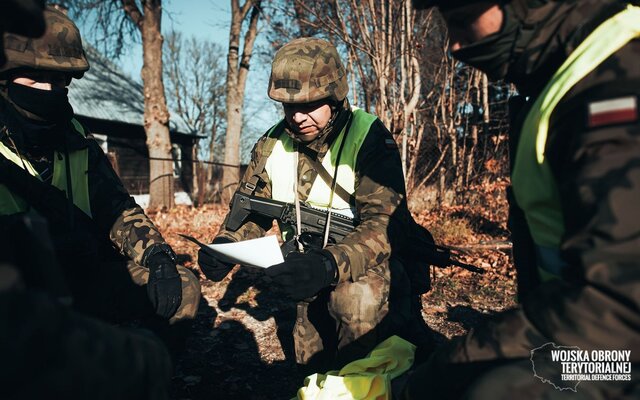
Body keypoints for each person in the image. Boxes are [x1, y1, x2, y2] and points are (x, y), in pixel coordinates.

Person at [402, 0, 640, 398]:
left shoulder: (613, 80)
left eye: (461, 20)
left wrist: (442, 374)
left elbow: (619, 305)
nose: (455, 47)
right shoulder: (562, 75)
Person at [199, 37, 434, 374]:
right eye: (287, 106)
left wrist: (327, 265)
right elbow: (253, 208)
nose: (296, 117)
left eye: (309, 105)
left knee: (355, 308)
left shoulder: (369, 137)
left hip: (368, 269)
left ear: (335, 95)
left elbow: (385, 224)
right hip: (304, 270)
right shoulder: (271, 144)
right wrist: (226, 245)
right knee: (312, 367)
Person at [0, 2, 173, 399]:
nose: (50, 91)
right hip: (17, 303)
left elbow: (116, 206)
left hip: (79, 278)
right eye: (36, 77)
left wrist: (158, 255)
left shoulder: (74, 132)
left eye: (61, 81)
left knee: (179, 287)